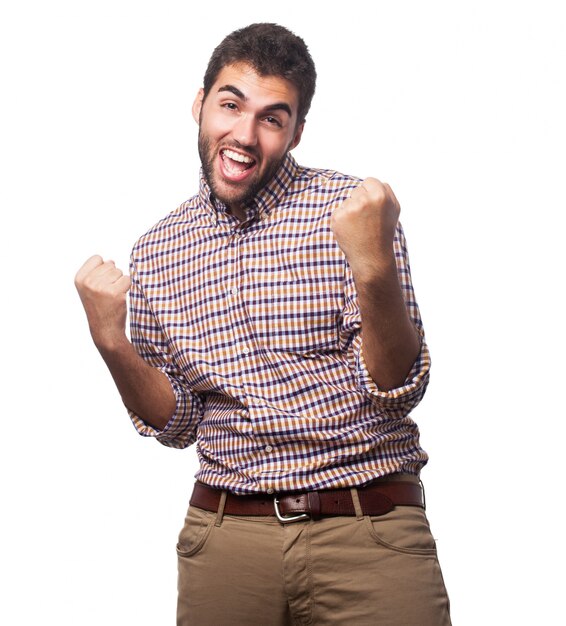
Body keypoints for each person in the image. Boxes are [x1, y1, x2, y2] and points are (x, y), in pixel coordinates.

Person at [75, 22, 451, 626]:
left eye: (272, 118)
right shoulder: (158, 251)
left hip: (369, 529)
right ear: (200, 105)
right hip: (226, 537)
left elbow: (399, 389)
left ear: (297, 131)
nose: (244, 135)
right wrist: (111, 342)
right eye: (230, 105)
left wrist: (374, 266)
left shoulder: (354, 210)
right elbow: (179, 426)